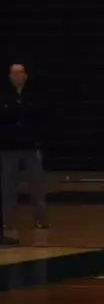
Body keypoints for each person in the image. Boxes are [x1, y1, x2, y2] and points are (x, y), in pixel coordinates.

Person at [0, 62, 47, 244]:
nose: (16, 76)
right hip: (9, 147)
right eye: (13, 73)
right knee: (8, 186)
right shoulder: (4, 95)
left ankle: (41, 218)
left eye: (19, 73)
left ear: (25, 75)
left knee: (37, 185)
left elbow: (40, 113)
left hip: (31, 145)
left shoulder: (34, 94)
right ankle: (6, 221)